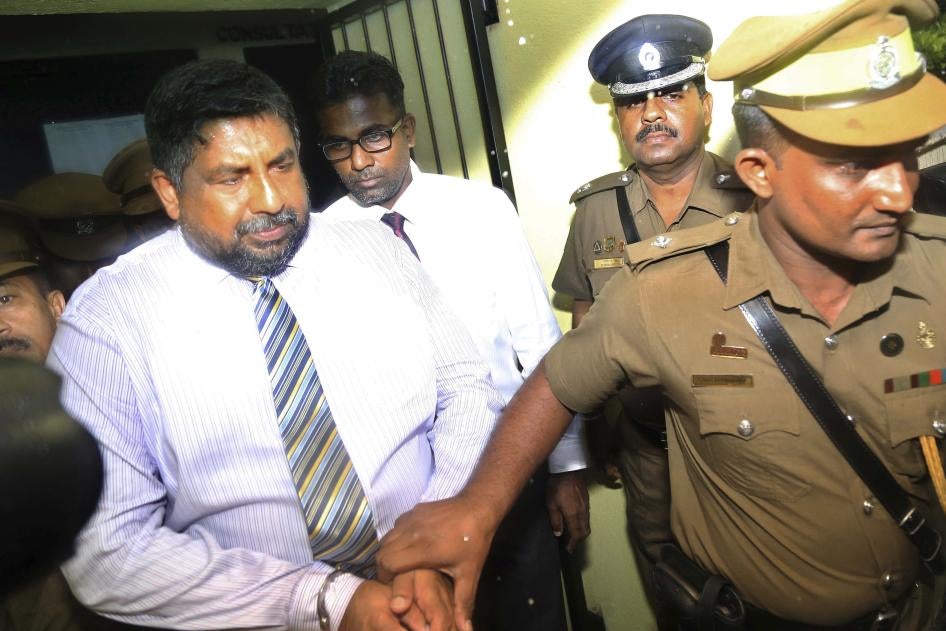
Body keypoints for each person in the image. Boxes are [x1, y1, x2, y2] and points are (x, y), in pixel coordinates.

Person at [377, 1, 946, 629]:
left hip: (920, 600)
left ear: (706, 106)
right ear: (761, 173)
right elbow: (571, 359)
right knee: (673, 579)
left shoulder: (930, 266)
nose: (898, 193)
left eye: (673, 93)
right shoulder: (646, 272)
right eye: (854, 165)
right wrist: (492, 501)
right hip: (671, 482)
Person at [51, 58, 502, 631]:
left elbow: (466, 390)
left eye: (282, 165)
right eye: (232, 178)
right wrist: (325, 601)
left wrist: (431, 540)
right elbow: (108, 554)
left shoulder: (376, 250)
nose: (270, 199)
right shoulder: (105, 324)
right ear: (169, 191)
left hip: (434, 595)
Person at [313, 50, 587, 631]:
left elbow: (542, 347)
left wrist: (566, 466)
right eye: (338, 145)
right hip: (405, 497)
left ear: (408, 130)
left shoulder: (479, 209)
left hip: (505, 469)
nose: (359, 161)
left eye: (375, 136)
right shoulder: (321, 242)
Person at [552, 16, 754, 624]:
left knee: (763, 593)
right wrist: (598, 428)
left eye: (670, 93)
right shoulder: (595, 211)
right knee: (676, 597)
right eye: (634, 102)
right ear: (619, 119)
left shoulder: (753, 197)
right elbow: (585, 325)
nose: (652, 114)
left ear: (706, 107)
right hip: (649, 454)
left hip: (746, 446)